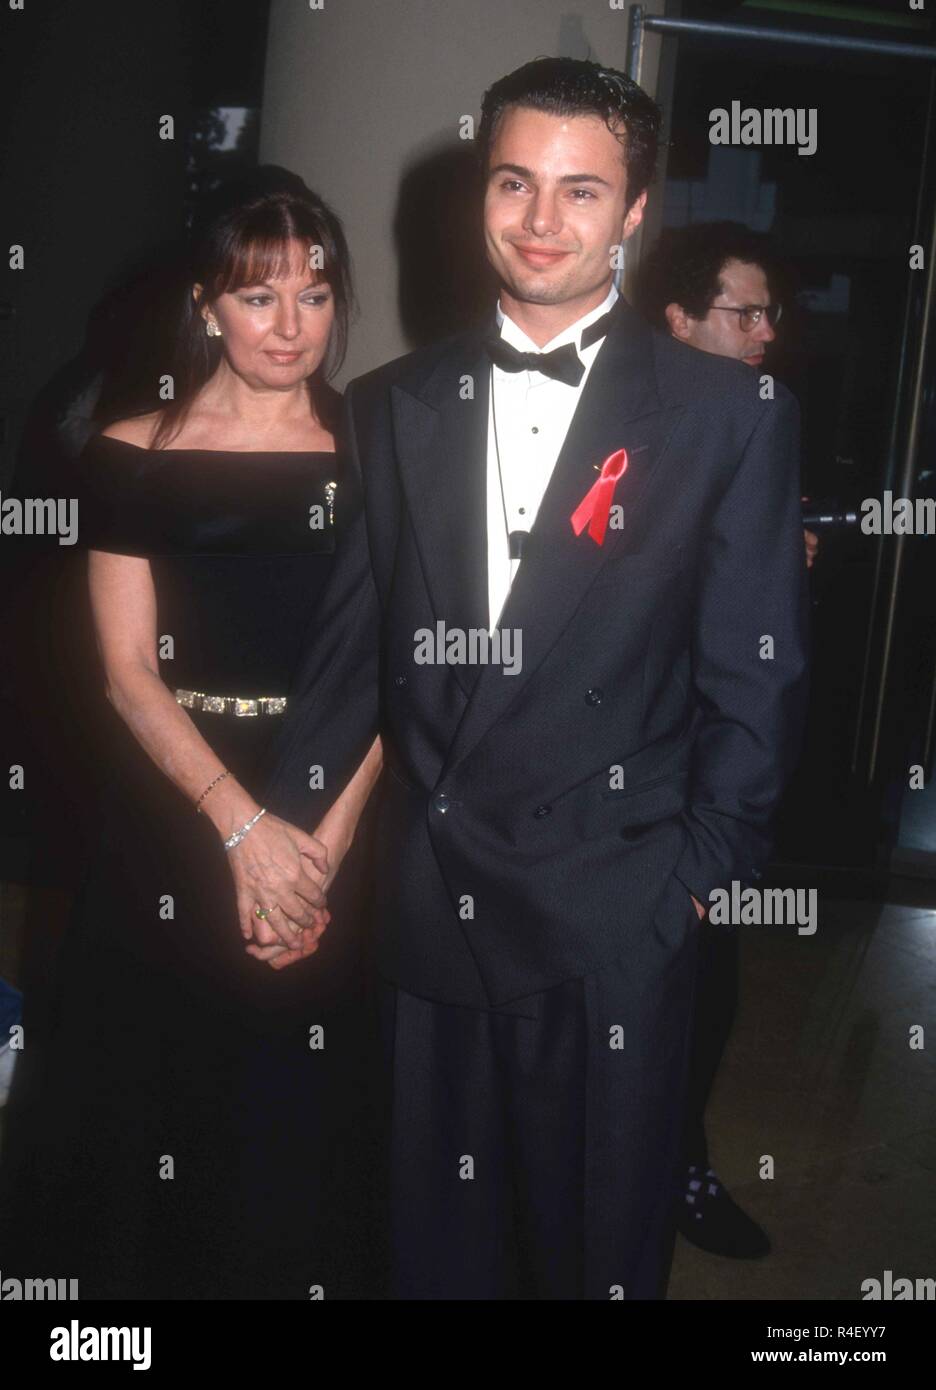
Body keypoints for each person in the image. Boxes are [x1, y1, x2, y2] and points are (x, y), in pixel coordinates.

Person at [235, 58, 809, 1300]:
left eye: (581, 191)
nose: (542, 222)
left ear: (634, 212)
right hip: (433, 910)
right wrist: (284, 842)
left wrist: (693, 888)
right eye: (514, 182)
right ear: (477, 188)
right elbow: (356, 653)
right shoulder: (392, 404)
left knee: (589, 1257)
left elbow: (755, 680)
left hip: (616, 919)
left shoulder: (729, 416)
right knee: (427, 1256)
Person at [0, 168, 380, 1299]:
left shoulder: (380, 452)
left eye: (315, 296)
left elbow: (406, 669)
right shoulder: (132, 450)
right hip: (174, 803)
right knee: (144, 1089)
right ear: (208, 303)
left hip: (331, 806)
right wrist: (241, 829)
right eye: (259, 297)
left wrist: (322, 847)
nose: (291, 325)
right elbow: (124, 673)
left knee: (294, 1104)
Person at [634, 221, 817, 1259]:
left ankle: (678, 1168)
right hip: (633, 776)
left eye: (769, 315)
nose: (762, 333)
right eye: (741, 312)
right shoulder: (628, 425)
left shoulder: (757, 426)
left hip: (721, 774)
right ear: (677, 318)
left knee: (712, 990)